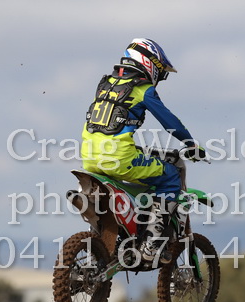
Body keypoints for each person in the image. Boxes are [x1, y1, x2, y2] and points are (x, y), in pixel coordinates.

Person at [80, 38, 206, 261]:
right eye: (160, 71)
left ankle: (110, 236)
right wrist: (190, 143)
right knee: (170, 176)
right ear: (150, 63)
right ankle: (151, 244)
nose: (160, 77)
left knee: (136, 167)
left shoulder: (105, 84)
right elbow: (169, 121)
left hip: (88, 157)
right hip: (119, 158)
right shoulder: (143, 89)